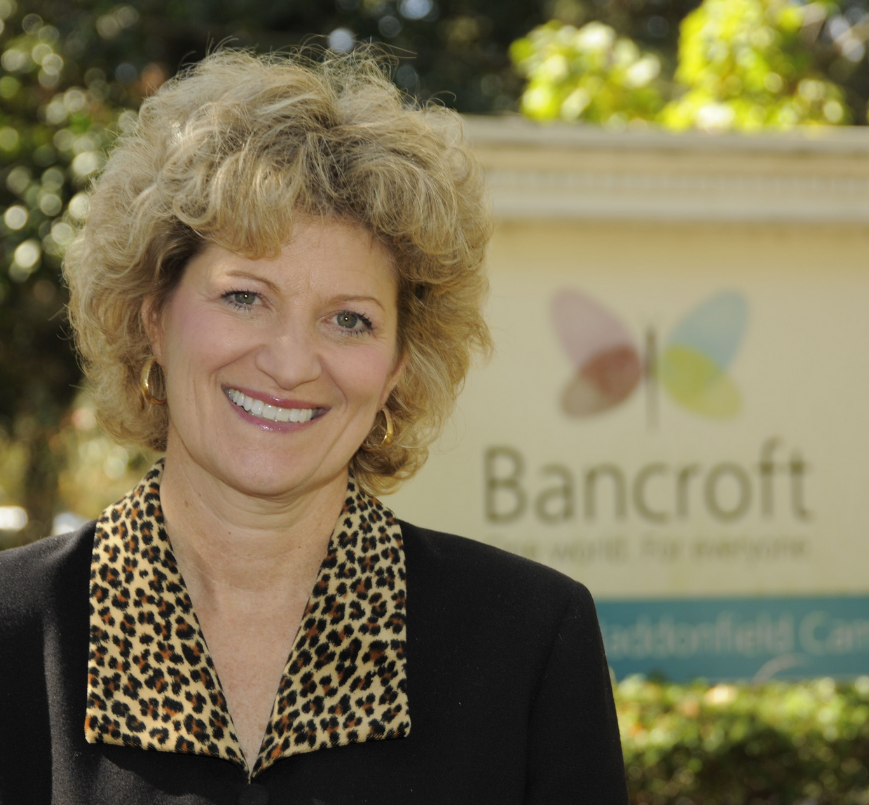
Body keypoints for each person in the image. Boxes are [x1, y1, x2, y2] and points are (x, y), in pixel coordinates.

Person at [0, 49, 628, 804]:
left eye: (349, 319)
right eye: (244, 297)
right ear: (153, 316)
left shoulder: (527, 639)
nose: (293, 362)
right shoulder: (15, 633)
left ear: (399, 364)